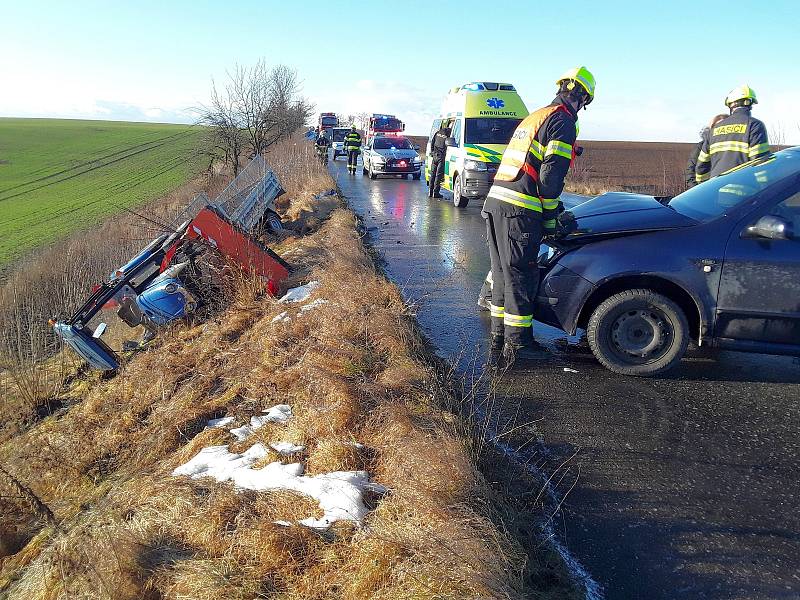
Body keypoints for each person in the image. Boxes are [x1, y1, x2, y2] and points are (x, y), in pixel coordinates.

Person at [482, 66, 595, 366]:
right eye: (585, 101)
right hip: (519, 209)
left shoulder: (537, 116)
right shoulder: (563, 121)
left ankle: (498, 339)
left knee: (504, 275)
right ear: (582, 96)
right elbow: (550, 177)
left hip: (496, 204)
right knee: (521, 275)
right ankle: (519, 345)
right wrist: (550, 217)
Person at [695, 85, 769, 185]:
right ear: (750, 103)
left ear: (731, 105)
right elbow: (760, 163)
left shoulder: (715, 129)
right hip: (744, 191)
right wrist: (764, 189)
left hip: (715, 192)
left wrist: (704, 188)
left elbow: (701, 167)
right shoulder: (754, 126)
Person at [685, 114, 727, 189]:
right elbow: (690, 173)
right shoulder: (701, 147)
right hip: (706, 191)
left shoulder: (735, 147)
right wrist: (699, 191)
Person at [428, 124, 451, 198]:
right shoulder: (448, 134)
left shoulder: (437, 132)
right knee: (438, 175)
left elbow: (432, 142)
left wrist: (432, 152)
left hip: (435, 155)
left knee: (433, 174)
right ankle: (436, 193)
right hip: (441, 156)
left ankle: (430, 192)